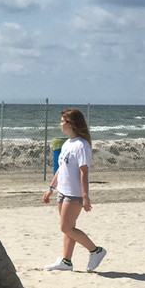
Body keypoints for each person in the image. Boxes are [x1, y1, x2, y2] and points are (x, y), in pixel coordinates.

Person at [42, 108, 107, 272]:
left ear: (71, 124)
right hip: (62, 192)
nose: (60, 124)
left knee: (66, 227)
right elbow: (61, 168)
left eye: (63, 121)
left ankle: (95, 250)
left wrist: (85, 196)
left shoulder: (82, 146)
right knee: (69, 227)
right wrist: (51, 188)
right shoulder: (67, 144)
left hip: (74, 193)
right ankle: (66, 261)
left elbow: (84, 172)